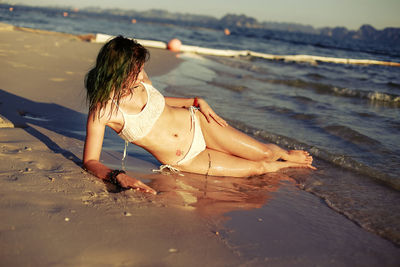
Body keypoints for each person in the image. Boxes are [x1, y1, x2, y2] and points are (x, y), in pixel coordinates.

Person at [83, 36, 315, 195]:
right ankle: (282, 166)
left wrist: (196, 101)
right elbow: (90, 161)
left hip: (200, 124)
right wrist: (119, 176)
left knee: (262, 153)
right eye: (136, 69)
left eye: (141, 67)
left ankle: (282, 153)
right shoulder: (104, 110)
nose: (142, 73)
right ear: (118, 70)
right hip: (186, 158)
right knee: (257, 168)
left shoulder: (141, 80)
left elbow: (160, 102)